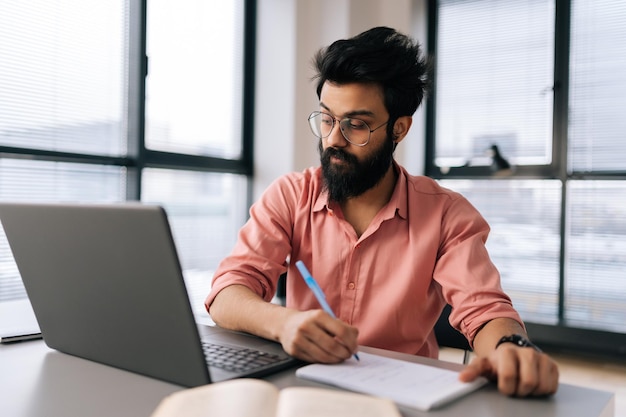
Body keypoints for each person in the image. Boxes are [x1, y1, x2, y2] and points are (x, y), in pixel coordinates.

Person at [206, 26, 559, 397]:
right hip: (304, 389)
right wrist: (284, 323)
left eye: (355, 125)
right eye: (326, 119)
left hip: (401, 397)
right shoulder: (291, 195)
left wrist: (511, 350)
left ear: (399, 130)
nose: (333, 140)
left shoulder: (447, 215)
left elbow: (485, 311)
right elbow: (228, 292)